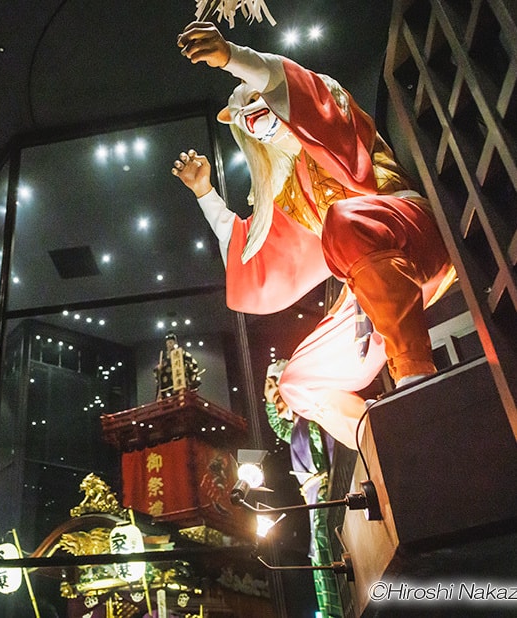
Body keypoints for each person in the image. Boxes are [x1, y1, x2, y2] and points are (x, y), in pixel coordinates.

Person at [171, 21, 454, 448]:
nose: (255, 117)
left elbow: (306, 97)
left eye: (258, 99)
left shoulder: (332, 121)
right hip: (371, 291)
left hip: (410, 235)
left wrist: (233, 58)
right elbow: (251, 253)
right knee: (299, 382)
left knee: (345, 220)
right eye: (245, 116)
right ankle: (386, 445)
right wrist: (205, 193)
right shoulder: (289, 195)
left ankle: (415, 378)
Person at [265, 360, 341, 617]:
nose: (276, 404)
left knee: (324, 552)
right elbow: (278, 425)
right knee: (321, 557)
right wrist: (271, 399)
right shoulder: (298, 425)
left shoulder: (311, 416)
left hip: (326, 494)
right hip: (316, 498)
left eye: (279, 396)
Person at [153, 331, 202, 400]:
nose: (169, 345)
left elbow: (193, 363)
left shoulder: (182, 353)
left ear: (175, 343)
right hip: (168, 387)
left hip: (180, 384)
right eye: (168, 343)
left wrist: (187, 371)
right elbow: (157, 373)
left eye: (171, 343)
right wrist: (158, 369)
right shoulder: (164, 359)